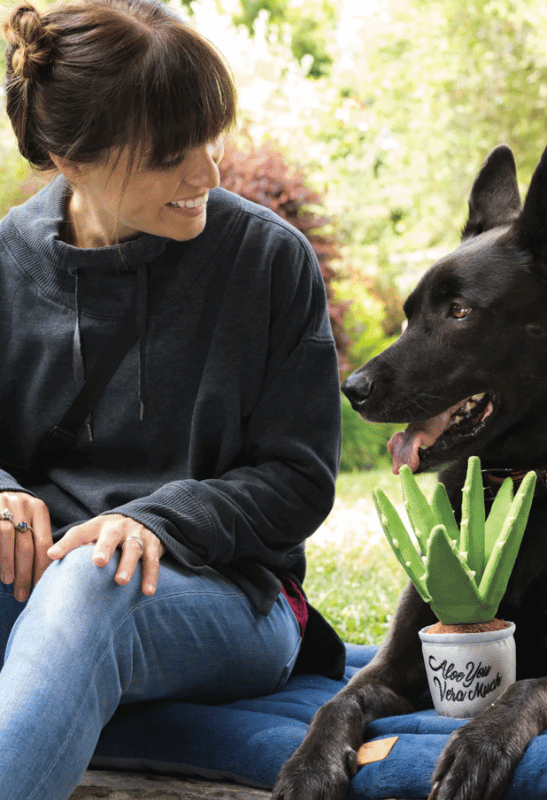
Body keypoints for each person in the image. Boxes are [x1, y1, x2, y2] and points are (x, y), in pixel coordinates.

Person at [0, 0, 345, 797]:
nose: (208, 174)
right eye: (168, 156)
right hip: (31, 580)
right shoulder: (7, 265)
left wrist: (151, 521)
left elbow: (298, 481)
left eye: (210, 136)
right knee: (76, 571)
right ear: (68, 156)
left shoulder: (268, 262)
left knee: (95, 574)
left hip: (230, 597)